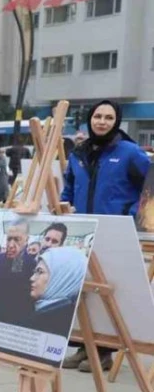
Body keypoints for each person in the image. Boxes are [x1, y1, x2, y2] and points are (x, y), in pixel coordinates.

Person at [60, 100, 150, 371]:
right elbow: (69, 187)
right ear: (90, 120)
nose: (102, 121)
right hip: (82, 229)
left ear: (116, 121)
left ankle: (104, 352)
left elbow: (150, 189)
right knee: (82, 290)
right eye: (98, 116)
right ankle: (83, 347)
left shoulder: (130, 153)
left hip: (115, 231)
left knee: (108, 291)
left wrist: (132, 213)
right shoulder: (78, 153)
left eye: (108, 117)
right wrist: (65, 207)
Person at [0, 218, 37, 324]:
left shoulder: (32, 266)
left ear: (27, 239)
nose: (11, 244)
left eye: (17, 239)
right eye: (9, 239)